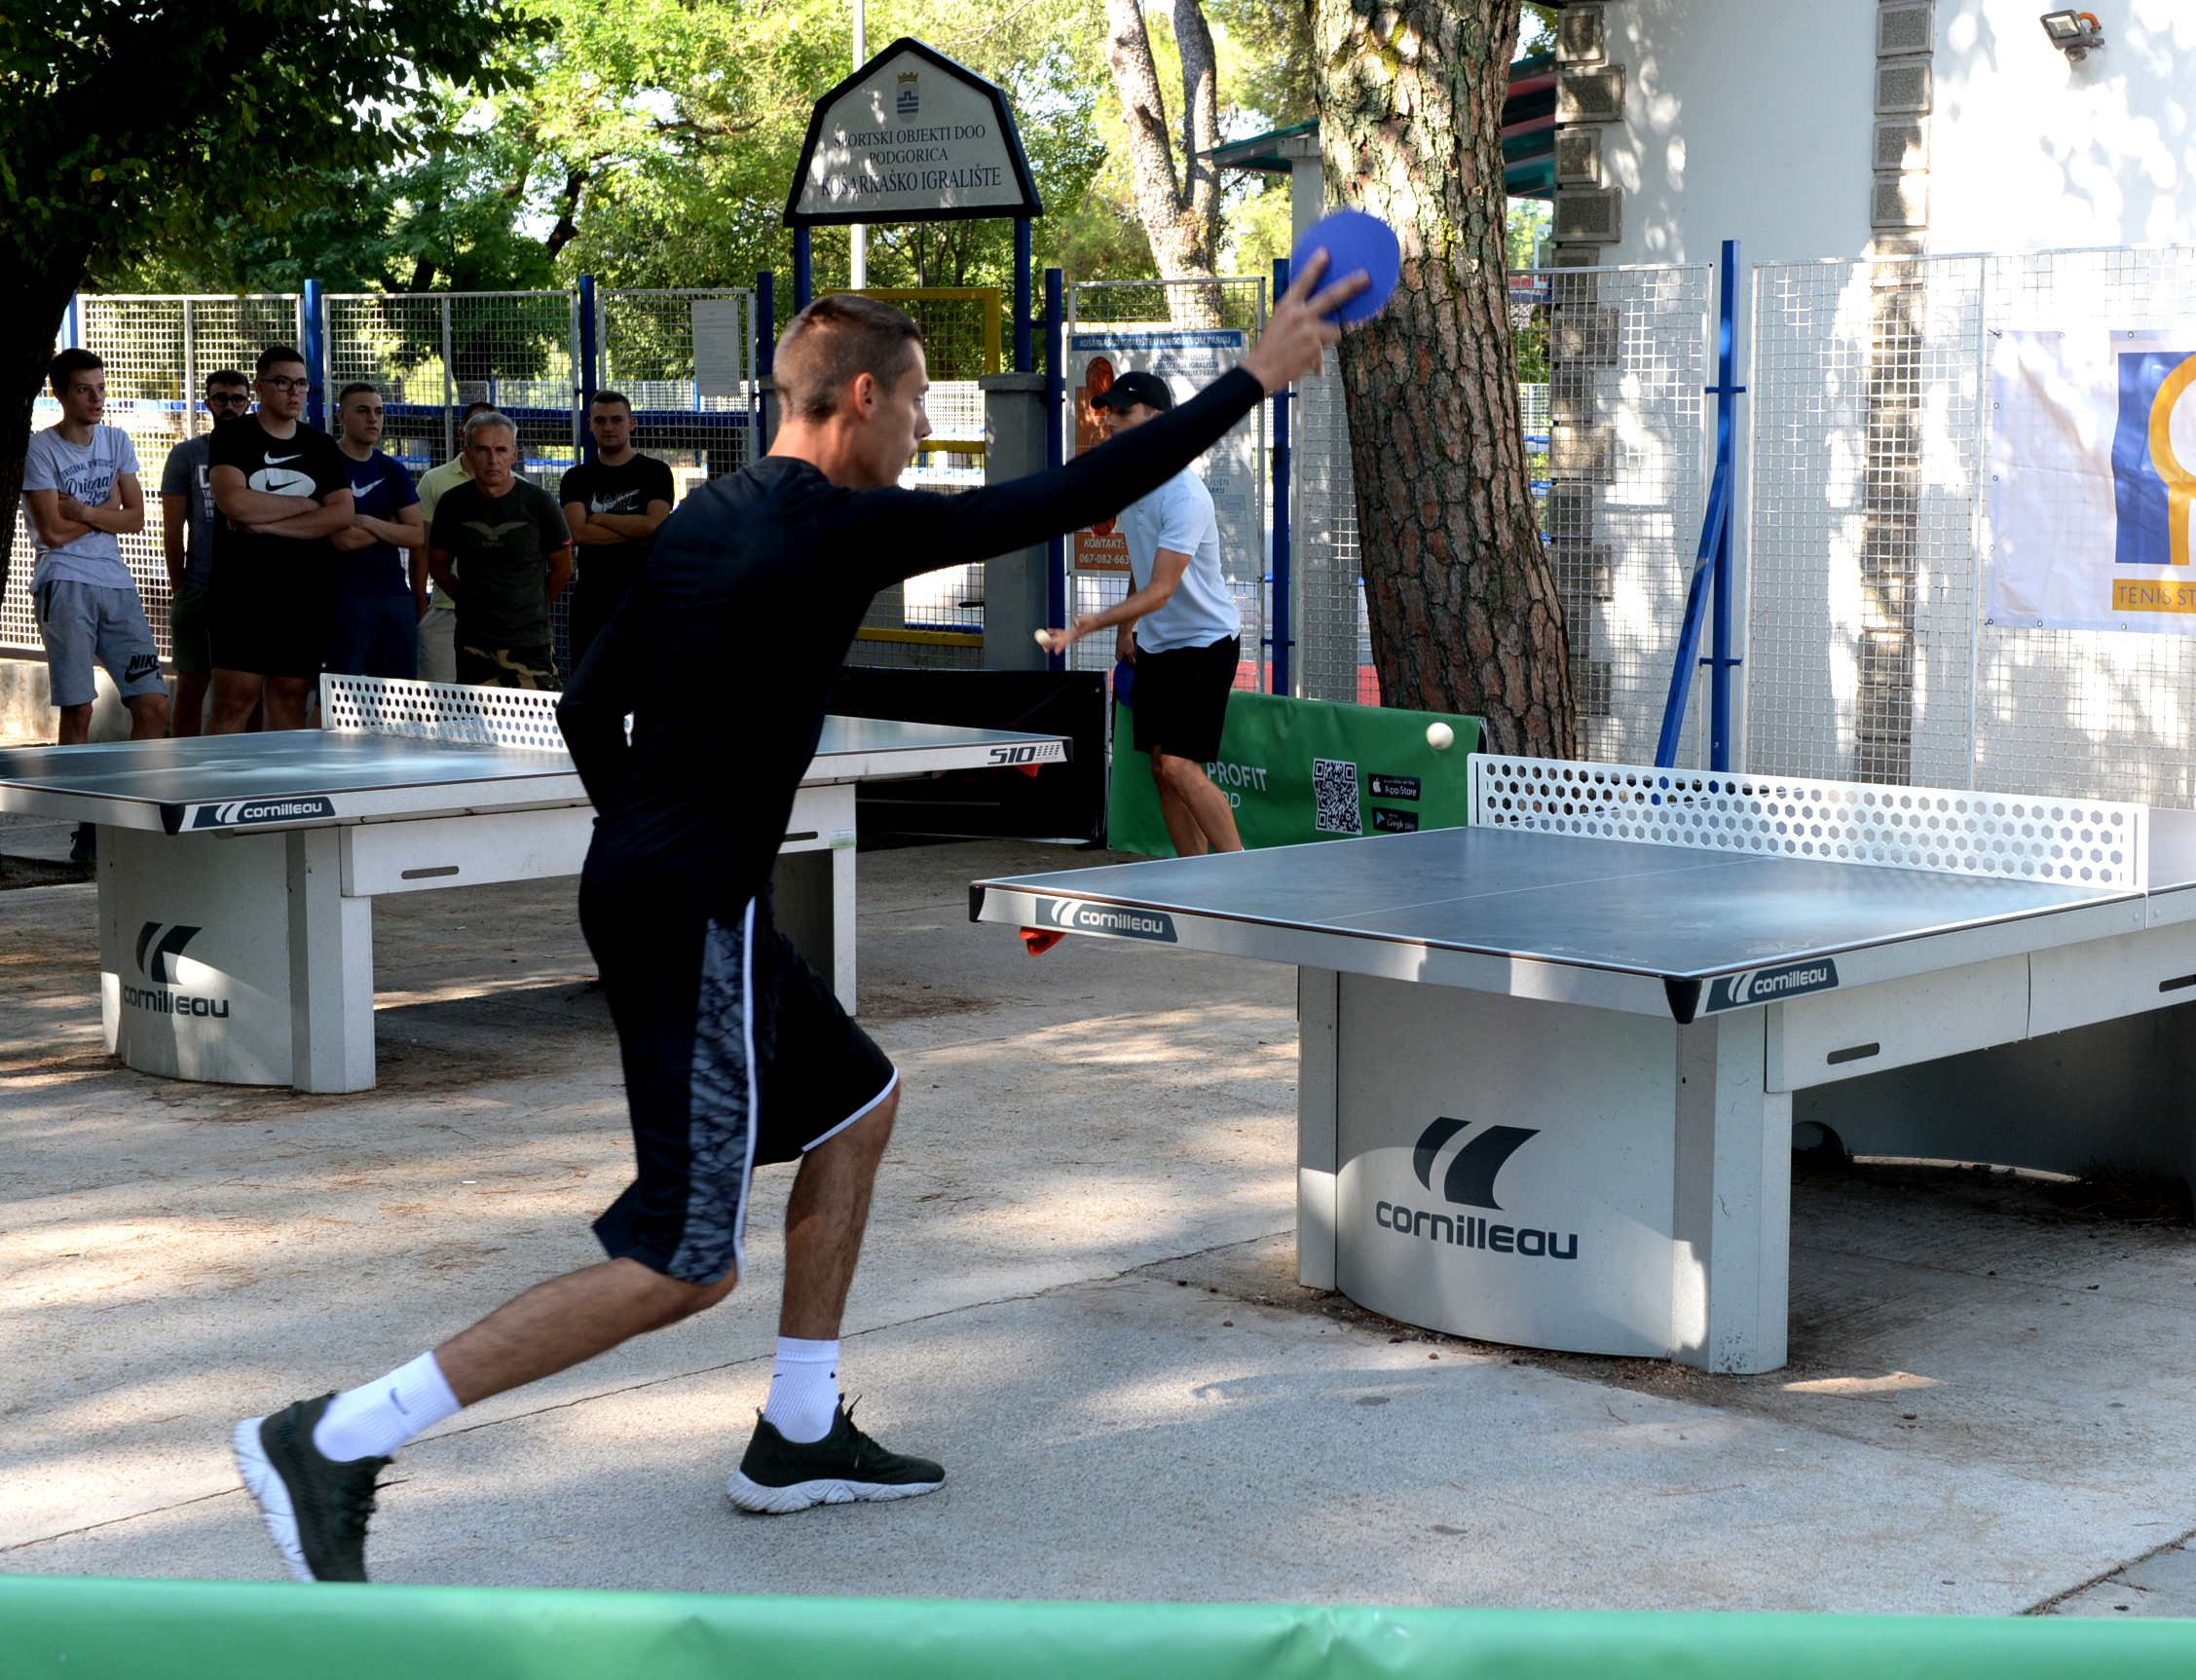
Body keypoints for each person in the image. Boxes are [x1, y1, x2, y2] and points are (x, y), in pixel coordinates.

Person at [231, 259, 1359, 1585]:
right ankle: (336, 1437)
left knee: (856, 1106)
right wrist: (1254, 376)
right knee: (681, 1258)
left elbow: (591, 710)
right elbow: (1071, 495)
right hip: (687, 905)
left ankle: (800, 1430)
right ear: (863, 396)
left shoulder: (704, 519)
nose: (924, 433)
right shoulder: (827, 524)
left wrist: (658, 836)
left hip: (670, 885)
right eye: (919, 405)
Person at [1037, 370, 1246, 856]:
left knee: (1177, 764)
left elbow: (1162, 589)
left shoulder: (1185, 494)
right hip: (1156, 646)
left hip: (1205, 644)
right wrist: (1127, 629)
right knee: (1160, 769)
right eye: (1108, 411)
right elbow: (1145, 564)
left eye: (1124, 412)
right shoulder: (1133, 483)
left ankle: (1242, 873)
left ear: (1158, 420)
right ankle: (1195, 878)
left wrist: (1093, 622)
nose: (1109, 421)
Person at [23, 349, 164, 863]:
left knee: (152, 703)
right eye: (84, 390)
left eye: (100, 388)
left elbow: (136, 518)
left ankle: (139, 812)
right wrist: (103, 513)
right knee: (78, 709)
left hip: (117, 585)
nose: (96, 398)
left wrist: (84, 509)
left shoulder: (117, 440)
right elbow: (54, 534)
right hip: (65, 583)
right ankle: (89, 826)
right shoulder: (41, 451)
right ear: (60, 393)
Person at [207, 347, 353, 732]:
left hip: (305, 595)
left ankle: (285, 792)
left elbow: (341, 514)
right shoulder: (233, 436)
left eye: (302, 383)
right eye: (283, 382)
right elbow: (235, 501)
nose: (294, 392)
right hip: (242, 594)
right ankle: (216, 789)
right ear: (259, 386)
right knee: (235, 700)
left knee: (290, 700)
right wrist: (305, 504)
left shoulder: (320, 445)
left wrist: (269, 524)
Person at [426, 411, 573, 690]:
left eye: (501, 450)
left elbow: (564, 568)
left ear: (514, 454)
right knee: (475, 726)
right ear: (467, 452)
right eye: (482, 450)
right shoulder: (452, 504)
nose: (493, 460)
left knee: (539, 726)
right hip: (474, 640)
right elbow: (437, 567)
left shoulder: (540, 503)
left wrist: (536, 606)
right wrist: (469, 603)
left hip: (528, 640)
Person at [160, 368, 251, 734]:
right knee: (191, 686)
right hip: (199, 588)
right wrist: (180, 584)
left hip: (251, 590)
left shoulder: (262, 451)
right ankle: (183, 767)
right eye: (220, 398)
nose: (229, 406)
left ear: (248, 401)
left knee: (249, 689)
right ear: (208, 403)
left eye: (237, 398)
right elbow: (172, 527)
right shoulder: (187, 454)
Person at [558, 390, 675, 673]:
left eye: (616, 420)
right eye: (600, 420)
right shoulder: (576, 478)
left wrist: (599, 517)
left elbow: (655, 526)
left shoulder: (656, 472)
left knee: (647, 687)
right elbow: (578, 534)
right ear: (590, 425)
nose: (608, 427)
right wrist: (638, 529)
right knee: (590, 690)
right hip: (591, 603)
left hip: (644, 600)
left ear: (631, 424)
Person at [327, 384, 428, 680]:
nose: (373, 419)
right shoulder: (327, 464)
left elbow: (416, 536)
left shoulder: (392, 469)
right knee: (337, 700)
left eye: (379, 412)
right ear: (341, 416)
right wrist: (393, 525)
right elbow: (344, 539)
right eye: (363, 411)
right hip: (345, 596)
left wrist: (368, 521)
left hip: (395, 596)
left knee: (399, 699)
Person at [414, 400, 502, 684]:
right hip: (446, 612)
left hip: (501, 616)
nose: (487, 436)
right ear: (463, 434)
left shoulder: (518, 486)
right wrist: (420, 607)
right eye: (479, 427)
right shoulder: (433, 481)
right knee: (438, 707)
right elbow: (421, 546)